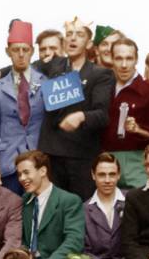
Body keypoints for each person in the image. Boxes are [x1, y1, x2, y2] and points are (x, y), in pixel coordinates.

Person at [36, 17, 114, 200]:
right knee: (54, 211)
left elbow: (102, 116)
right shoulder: (53, 64)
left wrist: (81, 116)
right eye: (69, 34)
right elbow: (22, 69)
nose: (72, 39)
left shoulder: (101, 74)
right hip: (52, 153)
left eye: (79, 35)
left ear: (88, 43)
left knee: (80, 209)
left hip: (82, 157)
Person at [0, 19, 46, 195]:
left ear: (32, 51)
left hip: (38, 161)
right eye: (15, 50)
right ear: (8, 52)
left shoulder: (45, 83)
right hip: (8, 164)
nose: (20, 54)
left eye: (25, 50)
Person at [16, 149, 85, 259]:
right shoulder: (24, 201)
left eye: (27, 172)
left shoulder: (68, 201)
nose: (22, 178)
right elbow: (21, 238)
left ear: (42, 171)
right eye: (19, 174)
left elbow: (75, 239)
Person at [101, 38, 149, 188]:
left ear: (136, 59)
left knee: (139, 207)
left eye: (129, 58)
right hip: (105, 159)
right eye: (119, 58)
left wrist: (139, 130)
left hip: (138, 160)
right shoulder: (103, 87)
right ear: (111, 59)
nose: (124, 65)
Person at [84, 153, 129, 259]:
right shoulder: (84, 209)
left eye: (112, 174)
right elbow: (80, 246)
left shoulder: (131, 201)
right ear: (93, 175)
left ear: (119, 175)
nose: (108, 180)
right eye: (102, 175)